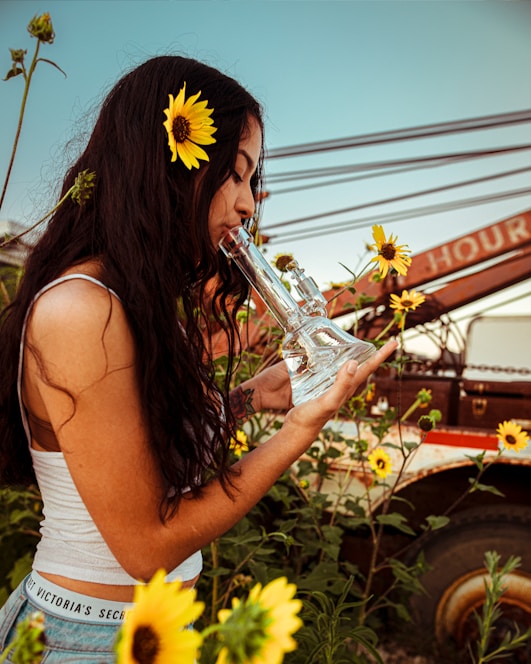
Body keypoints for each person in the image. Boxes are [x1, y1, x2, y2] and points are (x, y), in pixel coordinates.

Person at [0, 55, 396, 661]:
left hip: (141, 636)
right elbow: (148, 546)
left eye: (251, 181)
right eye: (235, 176)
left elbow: (139, 444)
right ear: (172, 164)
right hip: (84, 639)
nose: (247, 205)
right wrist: (298, 431)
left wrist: (252, 396)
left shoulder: (131, 299)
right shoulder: (84, 311)